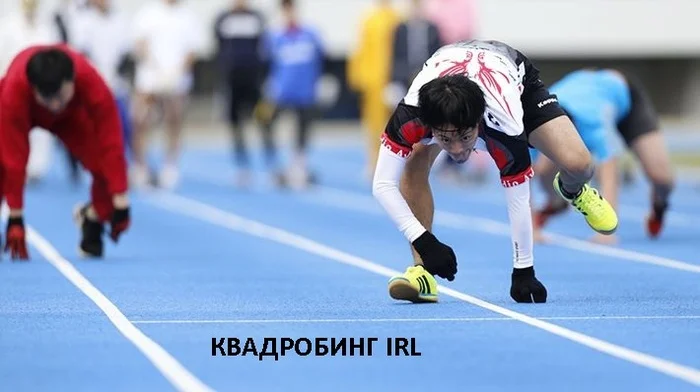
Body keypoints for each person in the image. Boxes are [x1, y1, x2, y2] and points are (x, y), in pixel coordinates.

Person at [371, 40, 619, 304]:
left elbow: (519, 196)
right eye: (445, 139)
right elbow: (383, 184)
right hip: (447, 71)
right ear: (430, 126)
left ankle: (573, 189)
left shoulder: (505, 123)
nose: (456, 151)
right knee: (415, 159)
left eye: (465, 138)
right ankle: (422, 273)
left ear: (479, 124)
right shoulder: (411, 116)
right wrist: (424, 241)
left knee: (580, 164)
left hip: (515, 81)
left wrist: (523, 270)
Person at [0, 45, 131, 260]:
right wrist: (15, 218)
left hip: (70, 119)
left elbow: (111, 141)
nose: (54, 105)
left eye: (60, 95)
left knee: (108, 170)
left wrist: (120, 199)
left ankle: (92, 217)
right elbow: (14, 158)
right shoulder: (14, 91)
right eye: (47, 97)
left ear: (72, 80)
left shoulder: (88, 77)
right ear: (33, 89)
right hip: (22, 110)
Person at [533, 68, 674, 240]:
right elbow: (526, 175)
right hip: (575, 97)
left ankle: (659, 205)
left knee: (661, 178)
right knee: (542, 167)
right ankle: (557, 200)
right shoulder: (538, 124)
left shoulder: (593, 121)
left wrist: (605, 230)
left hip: (625, 99)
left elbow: (609, 173)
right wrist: (530, 228)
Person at [130, 0, 204, 189]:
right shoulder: (148, 13)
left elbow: (192, 50)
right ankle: (140, 167)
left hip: (176, 78)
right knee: (141, 121)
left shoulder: (188, 16)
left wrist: (176, 72)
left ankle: (169, 166)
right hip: (150, 78)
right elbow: (140, 43)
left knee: (174, 120)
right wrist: (157, 69)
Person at [258, 0, 325, 189]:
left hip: (304, 92)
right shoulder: (274, 36)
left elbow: (321, 59)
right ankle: (275, 165)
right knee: (265, 121)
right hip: (280, 92)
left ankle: (298, 165)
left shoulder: (311, 34)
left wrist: (319, 82)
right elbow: (265, 63)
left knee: (303, 128)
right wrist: (268, 85)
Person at [213, 0, 268, 187]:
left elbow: (263, 48)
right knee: (236, 125)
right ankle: (242, 165)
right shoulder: (223, 19)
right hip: (232, 81)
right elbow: (219, 49)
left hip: (253, 81)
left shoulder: (256, 18)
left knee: (263, 120)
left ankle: (270, 163)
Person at [347, 0, 401, 180]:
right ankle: (375, 161)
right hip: (374, 81)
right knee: (374, 125)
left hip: (392, 78)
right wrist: (358, 76)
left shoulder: (397, 19)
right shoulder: (369, 20)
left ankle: (396, 162)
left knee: (397, 124)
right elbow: (361, 49)